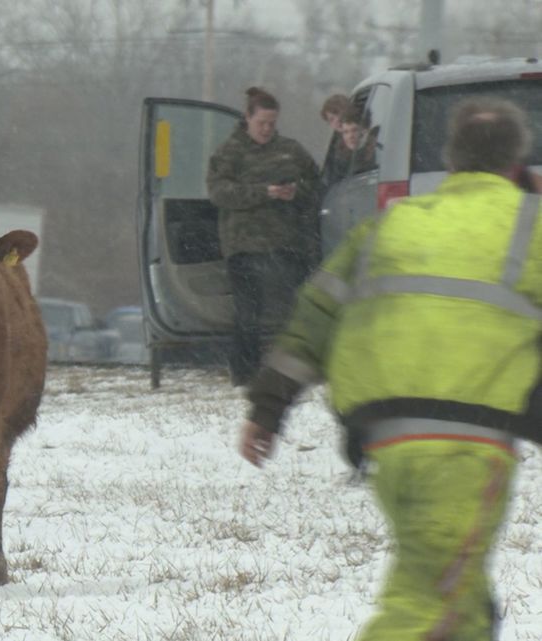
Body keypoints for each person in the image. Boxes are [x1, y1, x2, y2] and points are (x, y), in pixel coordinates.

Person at [238, 97, 541, 639]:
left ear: (451, 163)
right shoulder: (531, 226)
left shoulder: (391, 224)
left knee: (463, 604)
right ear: (517, 165)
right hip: (465, 448)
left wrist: (268, 406)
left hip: (384, 442)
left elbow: (316, 314)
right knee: (428, 606)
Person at [207, 86, 321, 386]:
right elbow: (219, 192)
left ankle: (296, 369)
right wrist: (264, 193)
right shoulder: (228, 153)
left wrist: (295, 192)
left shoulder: (290, 150)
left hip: (286, 244)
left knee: (295, 311)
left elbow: (318, 183)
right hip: (244, 246)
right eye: (262, 123)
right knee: (248, 314)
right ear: (248, 118)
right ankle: (245, 373)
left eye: (272, 123)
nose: (267, 129)